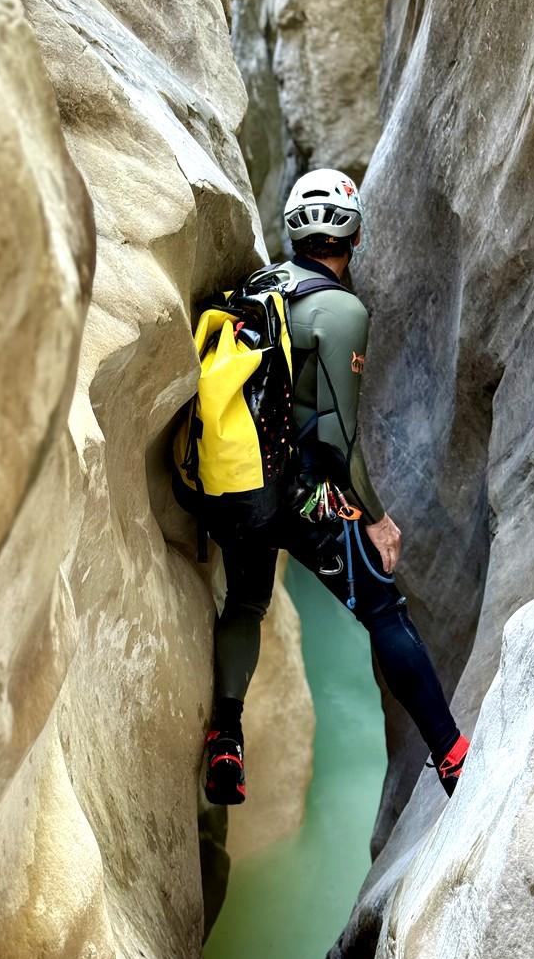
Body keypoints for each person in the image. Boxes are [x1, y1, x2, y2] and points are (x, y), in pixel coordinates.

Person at [199, 169, 469, 805]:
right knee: (384, 611)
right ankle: (453, 756)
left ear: (294, 228)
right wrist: (376, 518)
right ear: (353, 232)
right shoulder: (342, 310)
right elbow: (337, 444)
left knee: (245, 603)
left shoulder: (257, 288)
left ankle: (226, 743)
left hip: (235, 484)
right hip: (305, 495)